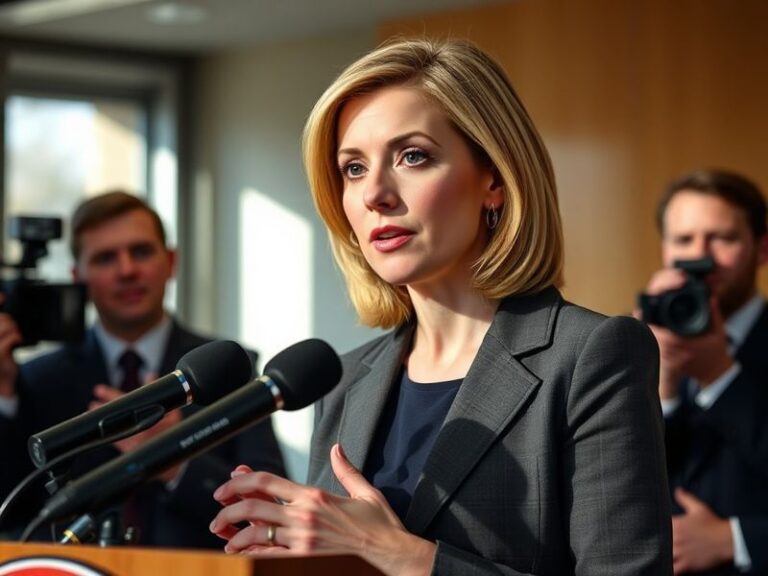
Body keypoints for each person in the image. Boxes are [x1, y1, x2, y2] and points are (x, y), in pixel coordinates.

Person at [209, 38, 672, 575]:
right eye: (353, 168)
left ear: (494, 180)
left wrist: (402, 555)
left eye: (412, 156)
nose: (375, 193)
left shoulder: (592, 355)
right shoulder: (344, 380)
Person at [0, 191, 286, 548]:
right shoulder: (37, 379)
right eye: (106, 258)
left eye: (141, 252)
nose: (127, 270)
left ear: (170, 261)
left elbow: (272, 507)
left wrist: (175, 461)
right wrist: (4, 393)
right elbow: (11, 512)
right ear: (79, 277)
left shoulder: (228, 367)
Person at [638, 169, 768, 575]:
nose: (701, 258)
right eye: (684, 240)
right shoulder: (642, 342)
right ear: (664, 250)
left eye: (722, 238)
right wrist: (663, 387)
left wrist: (736, 538)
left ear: (761, 249)